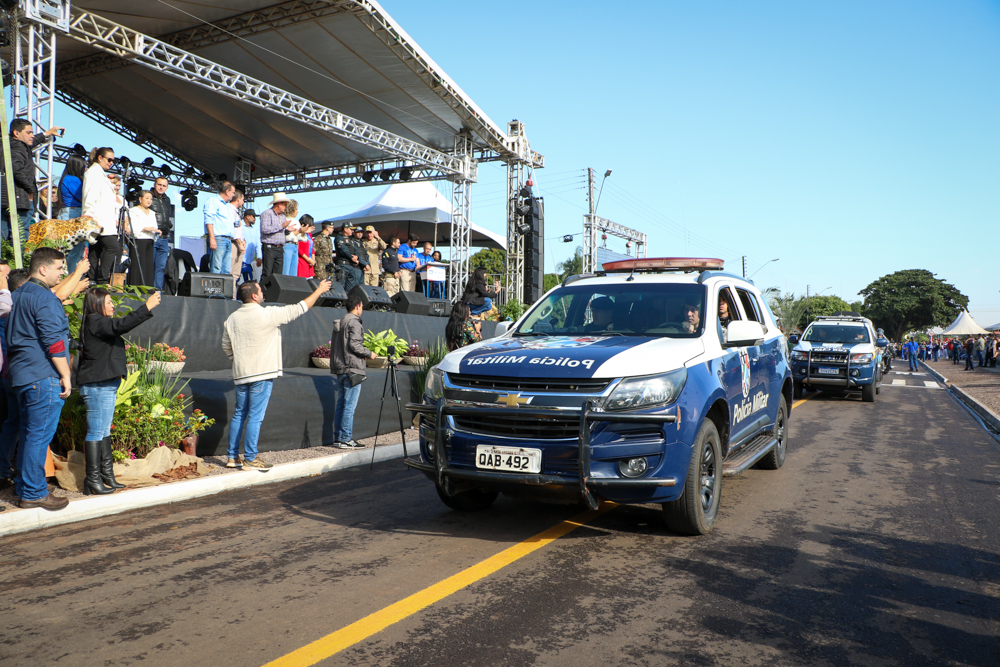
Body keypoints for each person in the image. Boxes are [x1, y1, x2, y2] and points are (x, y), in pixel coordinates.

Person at [222, 278, 332, 469]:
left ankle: (232, 457)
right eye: (261, 292)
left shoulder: (231, 319)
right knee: (255, 416)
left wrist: (239, 360)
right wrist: (319, 291)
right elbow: (300, 308)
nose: (263, 294)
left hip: (241, 374)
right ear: (255, 296)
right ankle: (250, 458)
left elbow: (226, 346)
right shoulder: (267, 314)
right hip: (262, 374)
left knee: (239, 414)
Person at [77, 287, 159, 495]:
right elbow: (120, 325)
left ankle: (106, 475)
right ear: (96, 304)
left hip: (105, 383)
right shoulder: (95, 321)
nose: (113, 305)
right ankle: (92, 479)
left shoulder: (97, 322)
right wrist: (146, 307)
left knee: (103, 431)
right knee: (96, 432)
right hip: (98, 385)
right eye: (109, 301)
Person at [7, 248, 72, 510]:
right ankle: (33, 492)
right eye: (59, 268)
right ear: (43, 269)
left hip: (20, 375)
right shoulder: (44, 299)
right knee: (37, 437)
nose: (62, 272)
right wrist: (66, 374)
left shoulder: (16, 295)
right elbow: (54, 342)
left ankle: (27, 489)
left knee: (29, 434)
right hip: (42, 374)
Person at [1, 118, 64, 243]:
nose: (32, 135)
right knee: (19, 237)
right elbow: (16, 170)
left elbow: (32, 142)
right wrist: (31, 190)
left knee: (4, 236)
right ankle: (16, 262)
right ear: (16, 133)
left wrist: (47, 133)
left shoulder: (13, 145)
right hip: (20, 199)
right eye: (28, 132)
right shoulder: (17, 148)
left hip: (10, 199)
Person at [330, 292, 377, 449]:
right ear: (357, 306)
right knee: (349, 405)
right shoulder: (354, 322)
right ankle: (346, 439)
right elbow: (355, 346)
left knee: (342, 404)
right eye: (362, 306)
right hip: (352, 369)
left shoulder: (342, 320)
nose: (362, 309)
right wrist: (369, 354)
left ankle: (338, 438)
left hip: (341, 368)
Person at [82, 147, 122, 284]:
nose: (111, 163)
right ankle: (102, 279)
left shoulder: (100, 174)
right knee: (112, 247)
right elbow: (90, 194)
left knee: (96, 249)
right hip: (99, 220)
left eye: (113, 160)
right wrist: (88, 214)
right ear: (100, 158)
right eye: (109, 159)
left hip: (103, 219)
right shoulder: (94, 172)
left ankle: (92, 280)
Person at [57, 152, 88, 272]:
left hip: (69, 213)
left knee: (72, 251)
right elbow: (83, 198)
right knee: (74, 252)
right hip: (73, 214)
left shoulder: (66, 178)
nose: (85, 169)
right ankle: (71, 279)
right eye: (83, 166)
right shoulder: (73, 179)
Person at [127, 190, 159, 287]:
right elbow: (131, 227)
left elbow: (154, 226)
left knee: (148, 266)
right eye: (147, 198)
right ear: (140, 199)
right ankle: (135, 288)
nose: (149, 201)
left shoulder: (152, 213)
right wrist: (145, 228)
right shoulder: (133, 210)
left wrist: (156, 231)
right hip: (139, 240)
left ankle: (147, 288)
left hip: (149, 240)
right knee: (138, 265)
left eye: (151, 199)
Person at [204, 180, 236, 275]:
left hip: (227, 240)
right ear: (227, 191)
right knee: (216, 268)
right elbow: (208, 219)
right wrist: (212, 239)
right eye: (233, 192)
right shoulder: (213, 201)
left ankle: (224, 290)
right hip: (218, 239)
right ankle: (214, 290)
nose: (233, 195)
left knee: (226, 270)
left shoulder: (226, 205)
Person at [259, 193, 291, 281]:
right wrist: (281, 226)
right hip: (269, 248)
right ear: (279, 204)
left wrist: (288, 230)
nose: (285, 207)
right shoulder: (267, 214)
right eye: (284, 205)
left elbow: (281, 232)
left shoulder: (282, 216)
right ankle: (262, 292)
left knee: (278, 276)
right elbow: (265, 229)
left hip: (280, 248)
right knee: (267, 273)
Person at [150, 176, 173, 290]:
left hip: (164, 237)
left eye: (164, 186)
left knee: (161, 267)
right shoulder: (149, 197)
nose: (161, 187)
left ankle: (158, 291)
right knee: (151, 265)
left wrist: (168, 226)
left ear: (167, 187)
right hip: (153, 236)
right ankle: (149, 290)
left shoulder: (167, 199)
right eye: (159, 185)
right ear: (155, 184)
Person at [335, 224, 364, 295]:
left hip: (351, 266)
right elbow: (343, 249)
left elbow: (355, 249)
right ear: (345, 229)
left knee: (351, 289)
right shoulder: (339, 237)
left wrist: (356, 256)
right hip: (343, 265)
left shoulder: (351, 240)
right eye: (350, 229)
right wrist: (351, 257)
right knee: (341, 288)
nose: (352, 231)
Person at [229, 190, 247, 297]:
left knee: (236, 274)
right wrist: (239, 243)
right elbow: (233, 230)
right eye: (243, 199)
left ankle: (233, 295)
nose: (244, 202)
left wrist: (243, 241)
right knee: (231, 272)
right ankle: (230, 295)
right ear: (238, 199)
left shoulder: (236, 211)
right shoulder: (229, 210)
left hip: (239, 245)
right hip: (234, 244)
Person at [282, 199, 301, 276]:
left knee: (293, 273)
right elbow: (285, 237)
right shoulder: (283, 220)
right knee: (285, 271)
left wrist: (303, 231)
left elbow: (300, 237)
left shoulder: (296, 221)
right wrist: (297, 232)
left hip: (295, 246)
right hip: (287, 246)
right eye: (296, 209)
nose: (297, 211)